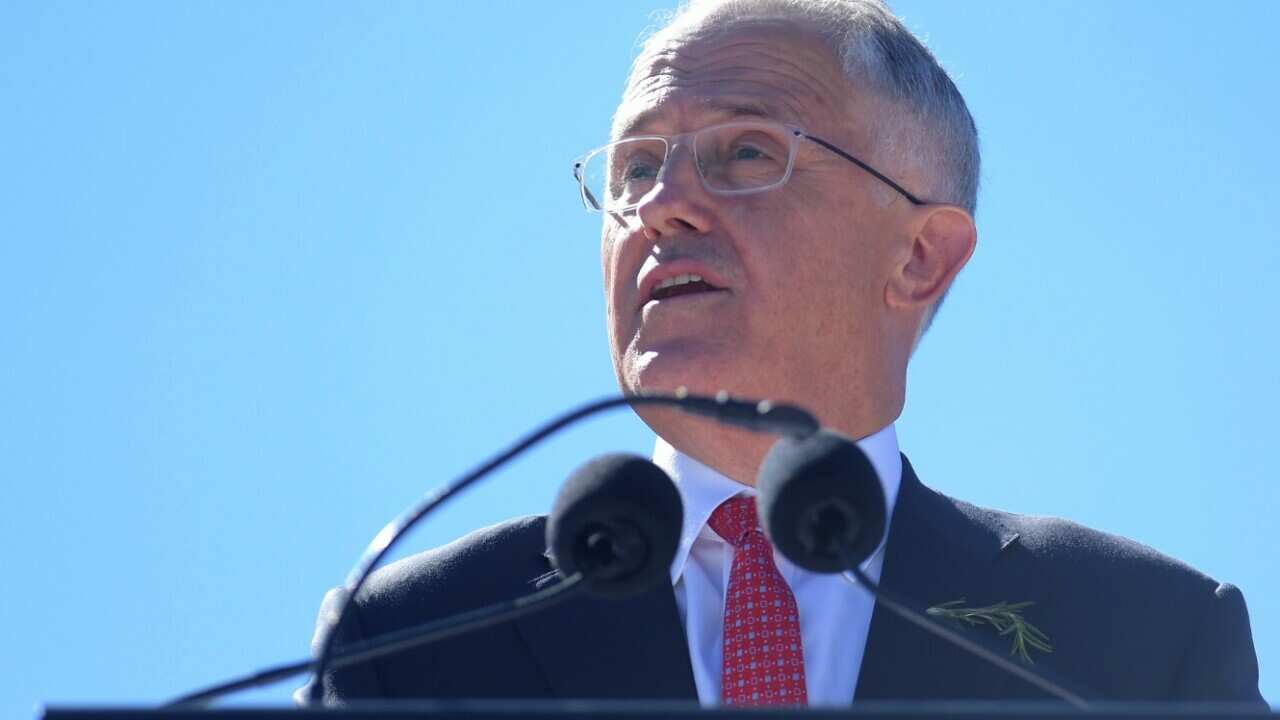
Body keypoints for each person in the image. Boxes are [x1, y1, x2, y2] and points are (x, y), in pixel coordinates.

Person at [300, 0, 1263, 706]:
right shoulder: (416, 639)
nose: (662, 203)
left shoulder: (1143, 635)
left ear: (920, 256)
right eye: (637, 165)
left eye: (748, 152)